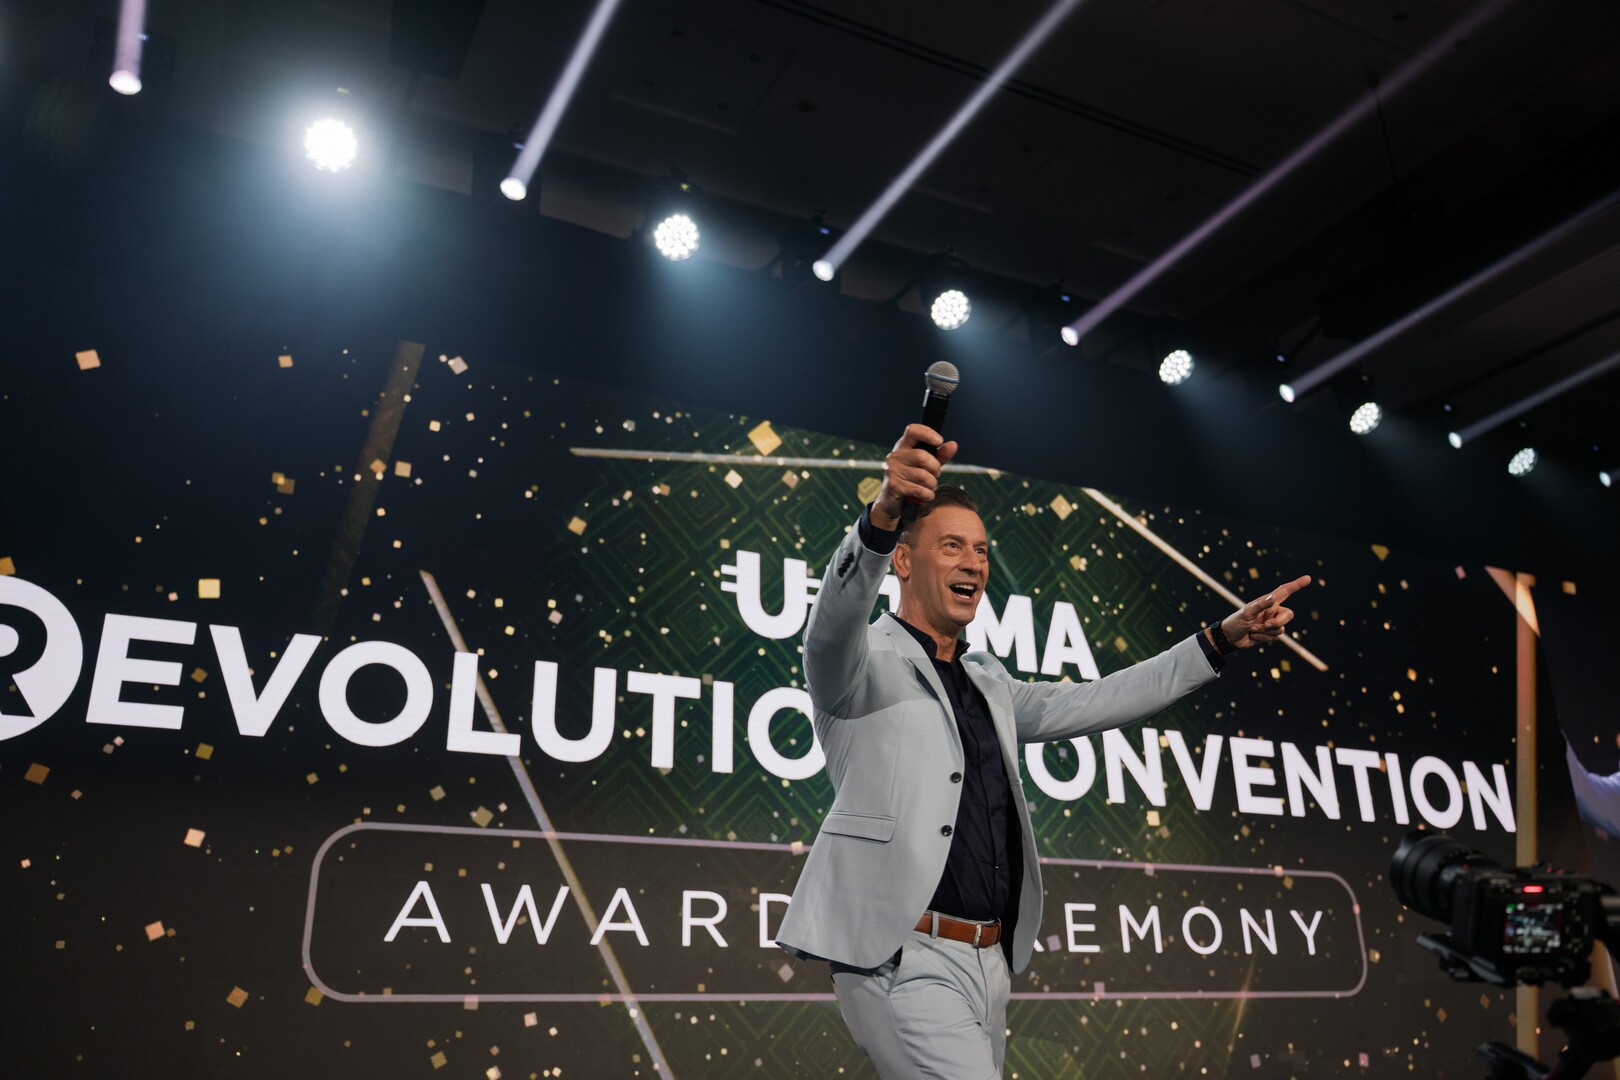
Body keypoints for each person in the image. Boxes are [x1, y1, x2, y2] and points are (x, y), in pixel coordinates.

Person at [775, 422, 1311, 1080]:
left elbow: (1102, 698)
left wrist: (1218, 640)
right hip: (901, 957)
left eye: (981, 550)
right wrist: (884, 514)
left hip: (988, 963)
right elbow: (832, 620)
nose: (974, 563)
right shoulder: (856, 664)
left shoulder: (988, 682)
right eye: (952, 546)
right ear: (904, 562)